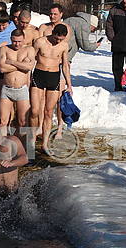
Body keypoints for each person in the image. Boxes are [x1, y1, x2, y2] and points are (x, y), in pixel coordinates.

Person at [30, 24, 72, 154]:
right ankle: (31, 142)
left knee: (49, 112)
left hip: (54, 77)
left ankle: (45, 144)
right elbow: (31, 60)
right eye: (56, 38)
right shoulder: (40, 42)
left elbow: (65, 65)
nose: (58, 41)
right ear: (53, 33)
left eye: (61, 39)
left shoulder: (64, 45)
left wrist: (69, 84)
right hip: (38, 75)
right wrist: (28, 77)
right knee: (35, 111)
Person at [38, 3, 72, 139]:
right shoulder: (43, 27)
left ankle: (59, 127)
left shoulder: (66, 28)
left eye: (55, 14)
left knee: (59, 99)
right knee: (41, 99)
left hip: (58, 67)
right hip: (42, 68)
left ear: (61, 14)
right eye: (51, 14)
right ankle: (40, 126)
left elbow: (63, 48)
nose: (52, 16)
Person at [0, 29, 35, 135]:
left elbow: (29, 67)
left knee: (22, 122)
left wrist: (12, 62)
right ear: (11, 39)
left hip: (21, 90)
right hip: (7, 89)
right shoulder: (4, 49)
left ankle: (21, 147)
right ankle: (4, 148)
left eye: (19, 41)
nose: (17, 44)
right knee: (3, 121)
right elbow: (2, 68)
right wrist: (21, 65)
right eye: (14, 41)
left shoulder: (29, 49)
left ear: (23, 39)